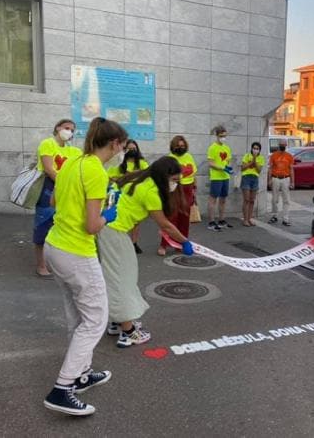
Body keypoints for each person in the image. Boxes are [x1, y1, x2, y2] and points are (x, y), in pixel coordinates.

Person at [43, 117, 128, 416]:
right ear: (115, 144)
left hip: (54, 246)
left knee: (77, 316)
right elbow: (93, 226)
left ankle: (81, 373)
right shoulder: (95, 171)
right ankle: (62, 388)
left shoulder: (74, 162)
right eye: (122, 146)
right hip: (77, 252)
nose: (122, 151)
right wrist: (110, 215)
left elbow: (54, 201)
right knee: (95, 320)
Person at [99, 156, 194, 348]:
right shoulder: (151, 191)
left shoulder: (138, 178)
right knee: (121, 280)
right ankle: (128, 332)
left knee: (118, 277)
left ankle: (117, 322)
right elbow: (165, 225)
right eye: (174, 180)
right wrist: (185, 241)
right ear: (164, 176)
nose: (175, 185)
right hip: (114, 232)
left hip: (109, 229)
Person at [33, 119, 82, 278]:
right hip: (48, 188)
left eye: (72, 130)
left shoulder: (73, 150)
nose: (69, 132)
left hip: (65, 189)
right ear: (58, 128)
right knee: (43, 225)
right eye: (66, 128)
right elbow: (48, 168)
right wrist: (64, 184)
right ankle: (41, 265)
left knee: (64, 224)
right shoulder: (47, 144)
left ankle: (60, 261)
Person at [107, 140, 149, 254]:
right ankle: (121, 243)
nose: (132, 151)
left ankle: (134, 243)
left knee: (136, 221)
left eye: (134, 149)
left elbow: (147, 177)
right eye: (129, 149)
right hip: (120, 195)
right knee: (120, 220)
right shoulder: (119, 163)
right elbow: (108, 176)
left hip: (135, 195)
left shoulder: (142, 163)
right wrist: (121, 179)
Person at [157, 136, 197, 255]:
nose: (181, 148)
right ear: (173, 146)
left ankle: (181, 244)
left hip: (188, 189)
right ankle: (163, 244)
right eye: (178, 146)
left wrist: (194, 189)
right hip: (174, 189)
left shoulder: (189, 156)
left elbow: (194, 172)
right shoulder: (170, 158)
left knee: (184, 218)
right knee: (171, 217)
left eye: (183, 146)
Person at [206, 126, 233, 231]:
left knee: (223, 199)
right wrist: (222, 168)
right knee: (213, 199)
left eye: (225, 136)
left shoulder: (227, 148)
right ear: (216, 136)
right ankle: (211, 222)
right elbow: (211, 163)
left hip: (225, 177)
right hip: (216, 177)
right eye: (221, 136)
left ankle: (221, 220)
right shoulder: (212, 148)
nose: (223, 138)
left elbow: (228, 161)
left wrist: (228, 167)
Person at [268, 139, 295, 226]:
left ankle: (285, 219)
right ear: (278, 145)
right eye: (281, 144)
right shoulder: (273, 156)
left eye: (284, 144)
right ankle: (274, 216)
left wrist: (292, 182)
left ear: (286, 145)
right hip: (275, 178)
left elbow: (291, 169)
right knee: (274, 199)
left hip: (285, 179)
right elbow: (270, 168)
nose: (283, 146)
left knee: (286, 200)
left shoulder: (289, 156)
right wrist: (269, 179)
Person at [240, 142, 265, 226]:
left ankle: (249, 218)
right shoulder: (246, 156)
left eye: (257, 149)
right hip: (246, 178)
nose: (255, 150)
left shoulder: (261, 158)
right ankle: (245, 219)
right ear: (251, 148)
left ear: (259, 150)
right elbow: (242, 168)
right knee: (246, 199)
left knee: (252, 200)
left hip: (255, 179)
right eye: (254, 148)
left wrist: (255, 161)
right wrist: (251, 162)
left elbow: (259, 170)